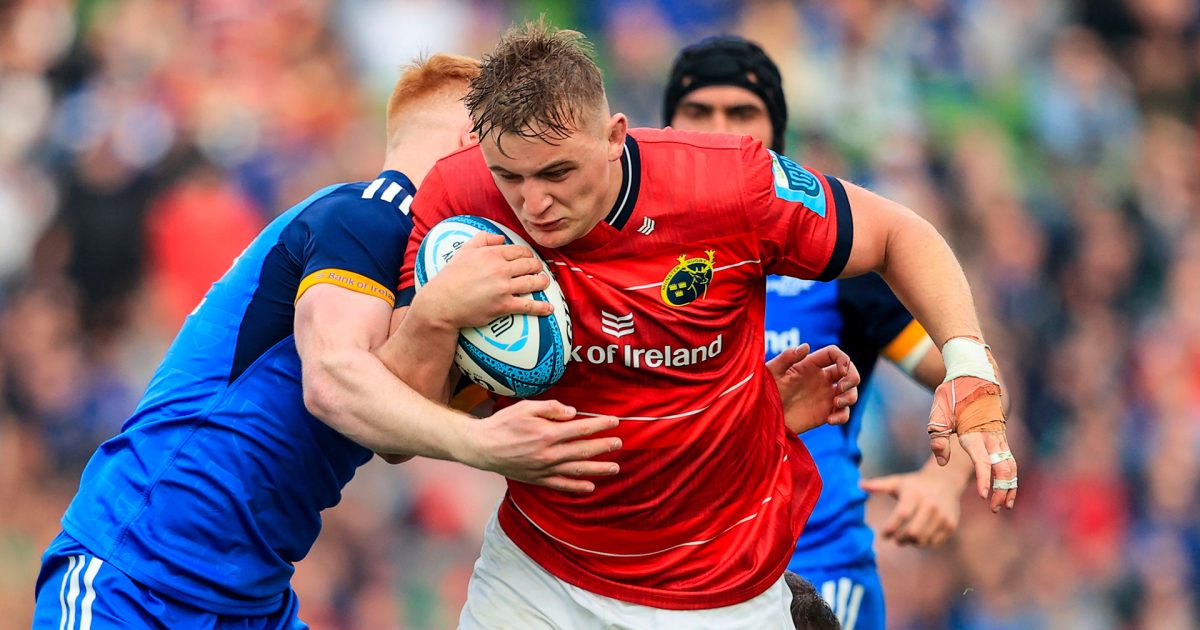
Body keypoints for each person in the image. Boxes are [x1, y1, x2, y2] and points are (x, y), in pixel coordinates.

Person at [393, 20, 1016, 629]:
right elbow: (401, 429)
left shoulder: (728, 185)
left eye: (557, 173)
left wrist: (967, 363)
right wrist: (433, 313)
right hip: (537, 572)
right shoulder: (458, 197)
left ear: (615, 137)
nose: (533, 203)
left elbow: (898, 233)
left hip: (721, 589)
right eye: (511, 178)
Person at [29, 54, 628, 629]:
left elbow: (395, 433)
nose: (519, 192)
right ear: (474, 145)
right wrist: (483, 442)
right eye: (506, 163)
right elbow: (333, 384)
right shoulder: (365, 214)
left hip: (250, 594)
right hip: (138, 573)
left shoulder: (426, 269)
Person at [662, 35, 983, 629]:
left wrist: (945, 480)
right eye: (698, 113)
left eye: (742, 114)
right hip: (676, 572)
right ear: (664, 133)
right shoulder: (627, 265)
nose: (719, 131)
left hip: (818, 569)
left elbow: (973, 376)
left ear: (775, 137)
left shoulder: (833, 262)